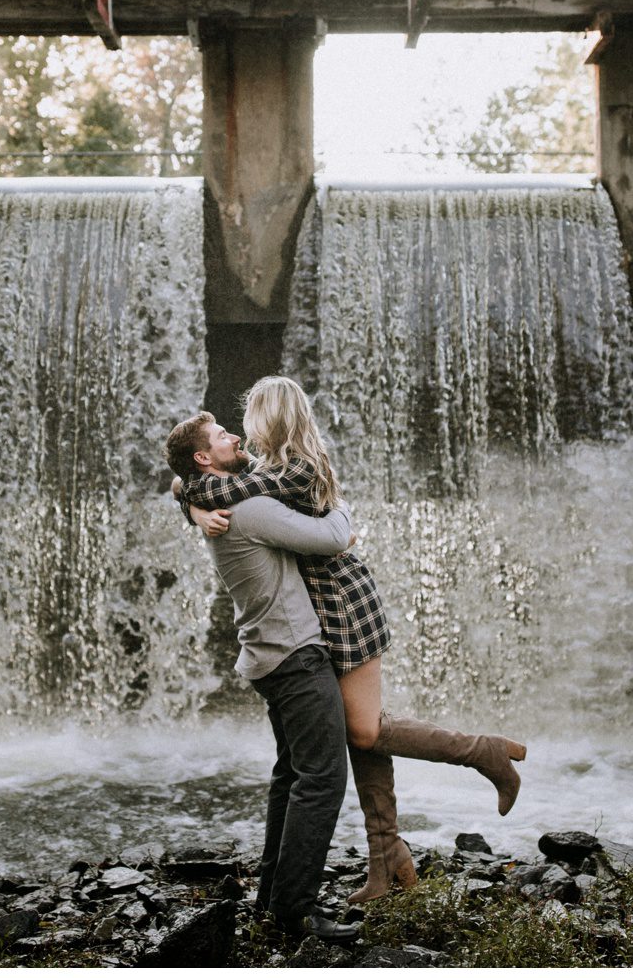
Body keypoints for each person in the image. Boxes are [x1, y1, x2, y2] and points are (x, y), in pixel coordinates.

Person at [169, 377, 527, 908]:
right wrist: (189, 505)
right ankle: (387, 860)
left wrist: (343, 518)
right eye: (228, 429)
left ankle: (483, 752)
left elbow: (319, 527)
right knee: (361, 735)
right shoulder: (256, 476)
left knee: (362, 729)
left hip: (341, 601)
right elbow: (194, 483)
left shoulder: (295, 470)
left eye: (246, 420)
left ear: (272, 419)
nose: (239, 431)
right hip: (313, 610)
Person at [163, 410, 362, 946]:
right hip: (295, 654)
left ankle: (274, 896)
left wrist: (186, 502)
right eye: (223, 437)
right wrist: (334, 497)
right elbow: (332, 537)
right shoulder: (247, 508)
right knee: (322, 779)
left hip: (267, 656)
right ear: (207, 458)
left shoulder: (216, 497)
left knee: (291, 776)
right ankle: (296, 909)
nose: (236, 437)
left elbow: (182, 481)